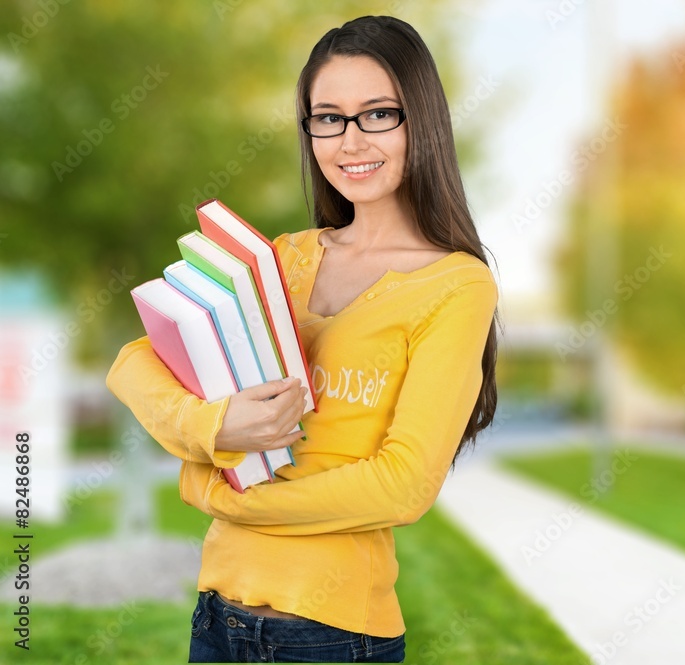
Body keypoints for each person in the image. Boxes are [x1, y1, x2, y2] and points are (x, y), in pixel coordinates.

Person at [106, 15, 499, 663]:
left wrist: (225, 496)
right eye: (328, 117)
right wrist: (213, 426)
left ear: (421, 118)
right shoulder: (279, 259)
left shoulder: (456, 285)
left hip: (329, 634)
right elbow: (135, 360)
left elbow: (403, 484)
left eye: (378, 114)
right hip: (217, 615)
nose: (350, 140)